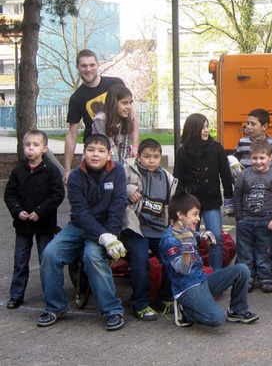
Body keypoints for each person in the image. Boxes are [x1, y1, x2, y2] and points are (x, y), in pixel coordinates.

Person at [38, 134, 128, 330]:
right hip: (79, 225)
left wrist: (110, 236)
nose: (96, 155)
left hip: (107, 226)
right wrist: (103, 237)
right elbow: (80, 213)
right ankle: (55, 307)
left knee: (93, 256)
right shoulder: (76, 177)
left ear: (109, 154)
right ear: (84, 152)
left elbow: (118, 206)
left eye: (101, 151)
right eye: (91, 150)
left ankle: (112, 310)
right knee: (50, 254)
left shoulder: (118, 172)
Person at [160, 191, 259, 327]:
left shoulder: (185, 230)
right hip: (187, 289)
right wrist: (186, 248)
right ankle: (185, 312)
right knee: (217, 318)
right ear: (180, 214)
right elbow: (182, 270)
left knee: (242, 270)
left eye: (198, 215)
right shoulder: (169, 240)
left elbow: (192, 234)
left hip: (202, 280)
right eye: (194, 214)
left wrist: (202, 235)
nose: (197, 219)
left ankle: (237, 311)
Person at [5, 130, 65, 309]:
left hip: (44, 225)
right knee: (20, 260)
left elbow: (57, 194)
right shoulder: (18, 170)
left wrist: (40, 211)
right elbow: (10, 194)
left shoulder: (51, 170)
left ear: (44, 148)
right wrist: (17, 211)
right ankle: (16, 295)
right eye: (27, 145)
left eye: (36, 145)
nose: (31, 149)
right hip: (23, 225)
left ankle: (50, 294)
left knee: (46, 259)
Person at [120, 138, 178, 320]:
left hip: (159, 229)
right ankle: (140, 304)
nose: (151, 160)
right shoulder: (126, 171)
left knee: (173, 258)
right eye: (146, 156)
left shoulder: (167, 178)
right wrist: (128, 191)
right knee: (140, 261)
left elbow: (171, 204)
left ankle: (164, 297)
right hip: (135, 228)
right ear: (138, 156)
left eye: (155, 156)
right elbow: (113, 192)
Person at [64, 49, 139, 183]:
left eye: (92, 65)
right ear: (78, 68)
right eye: (84, 66)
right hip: (97, 147)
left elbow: (132, 115)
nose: (88, 69)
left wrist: (135, 145)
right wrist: (67, 169)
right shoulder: (77, 98)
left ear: (97, 65)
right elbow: (72, 134)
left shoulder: (115, 83)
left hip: (119, 140)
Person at [233, 108, 272, 285]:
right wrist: (239, 217)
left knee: (265, 250)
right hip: (247, 220)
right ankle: (248, 280)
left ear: (270, 158)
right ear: (250, 157)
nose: (258, 161)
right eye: (254, 158)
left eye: (262, 158)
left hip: (267, 220)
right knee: (246, 252)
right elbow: (237, 196)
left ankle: (266, 278)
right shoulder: (244, 175)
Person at [173, 113, 233, 271]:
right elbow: (178, 178)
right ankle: (196, 270)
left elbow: (225, 174)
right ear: (193, 130)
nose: (206, 130)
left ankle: (216, 273)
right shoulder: (183, 151)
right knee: (191, 238)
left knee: (216, 237)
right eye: (203, 127)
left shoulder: (216, 148)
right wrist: (177, 205)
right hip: (191, 202)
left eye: (207, 126)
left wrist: (229, 199)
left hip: (211, 200)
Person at [91, 84, 136, 164]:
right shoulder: (101, 119)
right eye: (124, 103)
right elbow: (109, 146)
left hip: (116, 163)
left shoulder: (125, 119)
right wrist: (117, 169)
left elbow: (124, 147)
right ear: (113, 103)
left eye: (130, 103)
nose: (129, 107)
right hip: (100, 161)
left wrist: (123, 169)